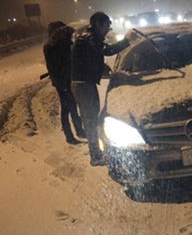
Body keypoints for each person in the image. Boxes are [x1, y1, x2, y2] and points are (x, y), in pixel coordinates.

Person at [71, 12, 130, 166]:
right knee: (90, 118)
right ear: (98, 24)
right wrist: (128, 41)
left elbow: (91, 58)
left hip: (85, 83)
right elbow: (106, 50)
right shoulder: (88, 38)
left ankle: (96, 151)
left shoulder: (87, 38)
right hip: (83, 84)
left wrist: (103, 68)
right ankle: (95, 156)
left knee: (92, 116)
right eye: (107, 25)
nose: (109, 29)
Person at [43, 21, 86, 145]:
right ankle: (69, 135)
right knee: (66, 108)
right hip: (62, 83)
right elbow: (54, 67)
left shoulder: (64, 43)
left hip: (68, 80)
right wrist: (62, 84)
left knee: (73, 106)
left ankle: (79, 131)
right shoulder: (50, 47)